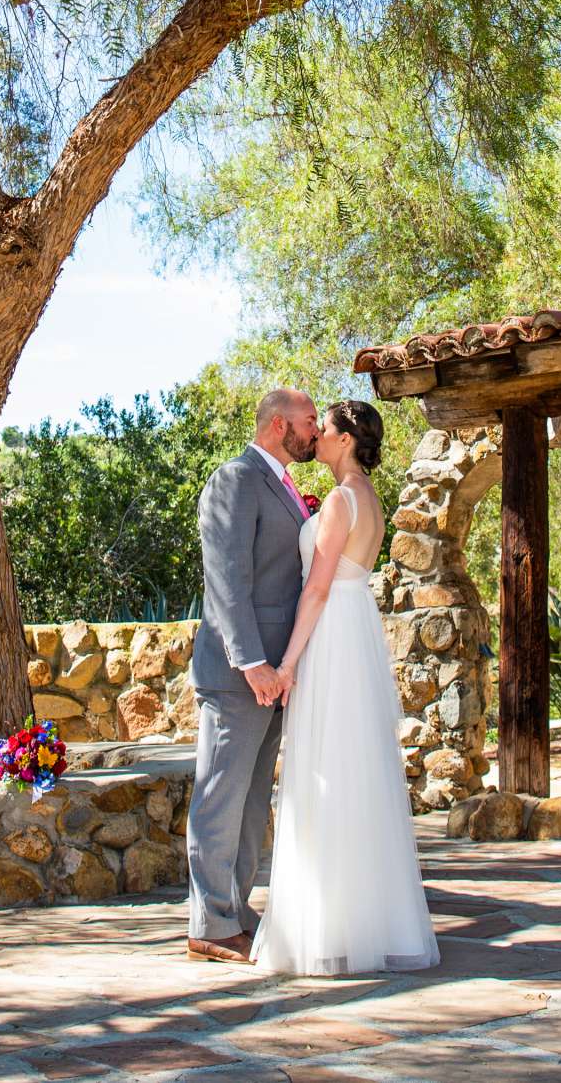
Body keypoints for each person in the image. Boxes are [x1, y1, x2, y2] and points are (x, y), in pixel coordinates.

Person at [252, 399, 439, 976]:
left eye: (325, 430)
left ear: (346, 439)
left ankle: (326, 928)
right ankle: (366, 921)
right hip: (358, 633)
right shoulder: (371, 500)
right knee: (357, 772)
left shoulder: (339, 500)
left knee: (326, 772)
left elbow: (317, 590)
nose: (319, 438)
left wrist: (286, 663)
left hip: (333, 635)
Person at [184, 387, 317, 962]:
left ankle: (234, 908)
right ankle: (208, 926)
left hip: (273, 675)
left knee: (251, 800)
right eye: (309, 421)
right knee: (219, 797)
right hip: (242, 672)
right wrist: (253, 662)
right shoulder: (235, 479)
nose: (316, 430)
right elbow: (227, 580)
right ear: (278, 425)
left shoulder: (280, 483)